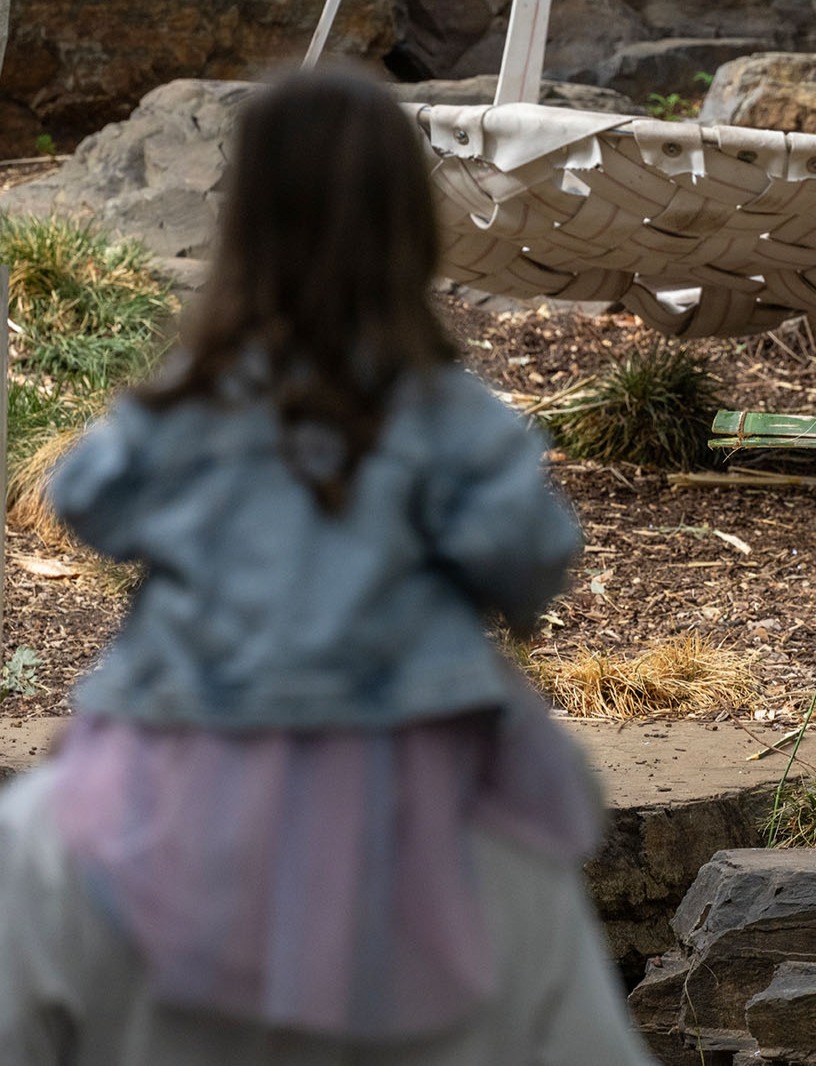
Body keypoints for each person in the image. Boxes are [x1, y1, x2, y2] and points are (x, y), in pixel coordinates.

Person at [0, 65, 657, 1065]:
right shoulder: (451, 416)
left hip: (159, 771)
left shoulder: (188, 404)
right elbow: (533, 559)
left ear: (241, 224)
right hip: (423, 794)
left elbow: (87, 497)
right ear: (412, 227)